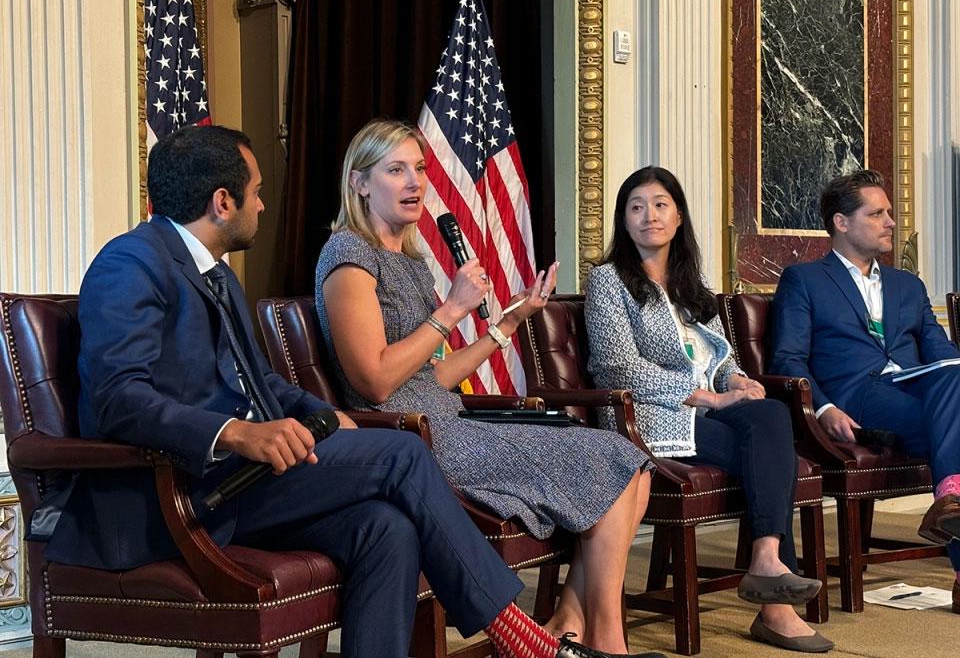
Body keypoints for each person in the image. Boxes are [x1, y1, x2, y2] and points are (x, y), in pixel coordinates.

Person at [47, 124, 657, 658]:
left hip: (241, 480)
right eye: (257, 192)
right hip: (177, 494)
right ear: (222, 201)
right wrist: (237, 432)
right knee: (401, 453)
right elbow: (120, 398)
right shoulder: (129, 264)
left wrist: (323, 414)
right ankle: (521, 640)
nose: (265, 204)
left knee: (384, 527)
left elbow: (265, 385)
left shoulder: (216, 276)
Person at [315, 119, 660, 656]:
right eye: (396, 170)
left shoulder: (407, 260)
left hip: (445, 416)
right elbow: (377, 382)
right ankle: (609, 643)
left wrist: (509, 322)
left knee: (628, 461)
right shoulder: (347, 257)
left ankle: (571, 622)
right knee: (613, 458)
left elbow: (430, 376)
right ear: (360, 183)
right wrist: (452, 310)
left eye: (421, 169)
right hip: (413, 441)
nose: (414, 182)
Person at [584, 166, 834, 653]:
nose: (648, 216)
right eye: (636, 207)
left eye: (660, 205)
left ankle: (766, 559)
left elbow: (719, 359)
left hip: (708, 415)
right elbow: (616, 369)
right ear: (623, 220)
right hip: (652, 419)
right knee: (768, 450)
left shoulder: (691, 285)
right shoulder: (608, 281)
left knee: (769, 416)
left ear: (678, 217)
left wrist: (737, 380)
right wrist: (707, 396)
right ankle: (775, 604)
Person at [770, 169, 960, 614]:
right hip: (859, 400)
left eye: (889, 213)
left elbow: (943, 355)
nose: (891, 222)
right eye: (877, 214)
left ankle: (954, 512)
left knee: (954, 381)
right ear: (842, 222)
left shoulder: (907, 285)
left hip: (921, 396)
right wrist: (824, 407)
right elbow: (788, 361)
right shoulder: (805, 280)